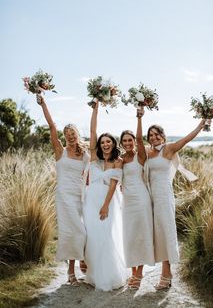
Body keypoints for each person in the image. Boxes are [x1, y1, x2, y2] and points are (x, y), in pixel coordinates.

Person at [145, 118, 207, 290]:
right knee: (158, 234)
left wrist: (199, 127)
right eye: (151, 135)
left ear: (163, 137)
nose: (154, 138)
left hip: (164, 196)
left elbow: (186, 139)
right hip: (151, 198)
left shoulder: (169, 148)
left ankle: (166, 273)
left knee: (166, 232)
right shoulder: (148, 153)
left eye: (157, 135)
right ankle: (166, 272)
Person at [37, 94, 89, 286]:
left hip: (81, 196)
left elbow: (95, 169)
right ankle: (71, 272)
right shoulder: (61, 151)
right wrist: (44, 104)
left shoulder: (84, 154)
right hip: (64, 196)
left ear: (77, 134)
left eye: (73, 133)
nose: (70, 136)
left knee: (83, 230)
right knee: (72, 231)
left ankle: (82, 260)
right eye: (67, 134)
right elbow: (52, 126)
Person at [83, 101, 126, 291]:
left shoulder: (118, 162)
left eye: (108, 142)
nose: (105, 144)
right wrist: (95, 109)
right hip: (91, 201)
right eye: (102, 142)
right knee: (93, 236)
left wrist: (106, 205)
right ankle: (93, 274)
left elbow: (114, 186)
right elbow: (92, 132)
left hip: (108, 202)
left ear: (113, 143)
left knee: (107, 235)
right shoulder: (94, 158)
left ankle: (110, 275)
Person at [120, 106, 154, 289]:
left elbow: (141, 138)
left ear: (134, 141)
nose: (127, 143)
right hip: (127, 202)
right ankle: (133, 272)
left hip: (141, 200)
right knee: (130, 236)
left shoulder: (140, 156)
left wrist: (139, 116)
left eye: (130, 140)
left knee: (140, 235)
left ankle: (139, 274)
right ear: (121, 143)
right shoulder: (120, 159)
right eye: (124, 140)